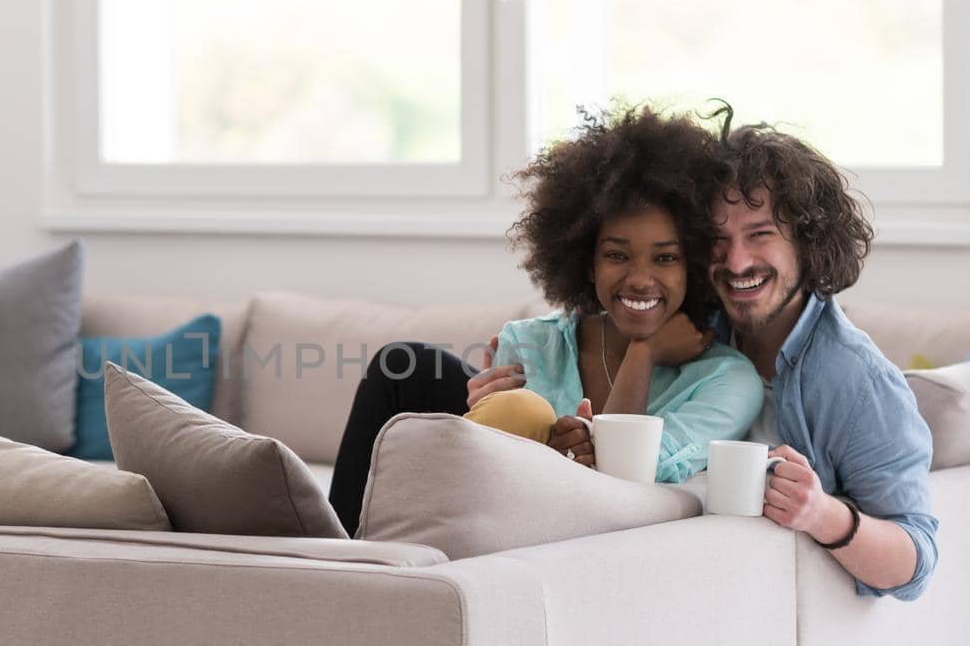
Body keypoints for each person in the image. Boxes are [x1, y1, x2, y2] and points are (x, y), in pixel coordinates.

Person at [327, 106, 763, 534]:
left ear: (695, 263)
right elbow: (498, 476)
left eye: (666, 258)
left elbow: (622, 483)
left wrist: (643, 353)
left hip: (579, 538)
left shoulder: (728, 380)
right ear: (587, 262)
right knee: (401, 363)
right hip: (499, 511)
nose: (640, 279)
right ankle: (329, 548)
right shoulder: (533, 342)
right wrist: (507, 431)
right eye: (616, 255)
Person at [705, 105, 937, 600]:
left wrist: (822, 514)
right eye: (717, 240)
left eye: (760, 235)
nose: (736, 261)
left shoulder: (856, 379)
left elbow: (915, 560)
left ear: (807, 245)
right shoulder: (693, 334)